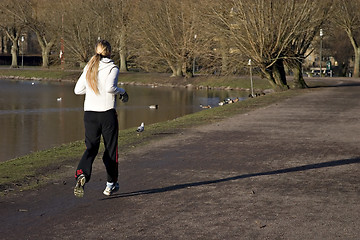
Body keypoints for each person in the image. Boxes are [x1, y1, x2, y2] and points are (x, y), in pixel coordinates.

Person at [73, 40, 128, 197]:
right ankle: (110, 184)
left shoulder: (89, 67)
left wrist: (92, 90)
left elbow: (78, 90)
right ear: (110, 52)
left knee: (91, 147)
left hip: (89, 113)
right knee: (111, 149)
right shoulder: (112, 67)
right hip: (106, 113)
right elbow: (111, 88)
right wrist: (122, 91)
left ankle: (82, 173)